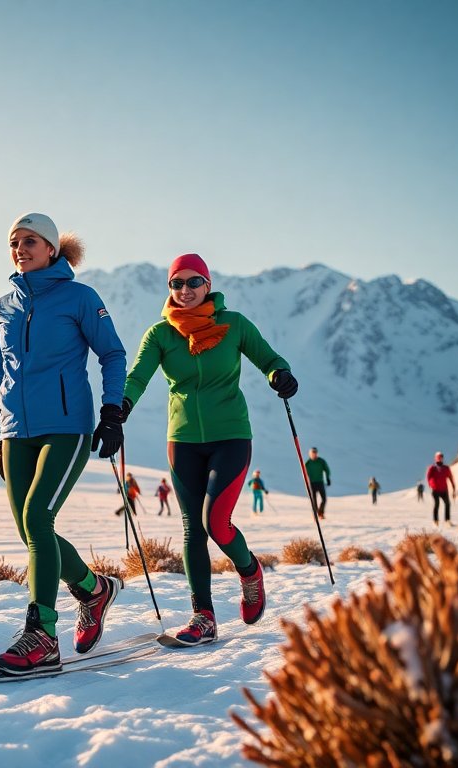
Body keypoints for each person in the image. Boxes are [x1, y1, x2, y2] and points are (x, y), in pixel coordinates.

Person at [122, 253, 297, 646]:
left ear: (208, 285)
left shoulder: (233, 324)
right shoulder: (161, 334)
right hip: (182, 441)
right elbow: (138, 376)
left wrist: (278, 373)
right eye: (176, 283)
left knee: (215, 521)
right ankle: (203, 617)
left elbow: (268, 357)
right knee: (191, 529)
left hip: (231, 435)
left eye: (193, 282)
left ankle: (249, 570)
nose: (184, 290)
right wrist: (122, 405)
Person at [0, 212, 127, 676]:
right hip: (17, 432)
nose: (20, 248)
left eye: (30, 240)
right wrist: (2, 427)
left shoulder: (79, 297)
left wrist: (112, 412)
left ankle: (42, 633)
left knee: (37, 517)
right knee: (31, 533)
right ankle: (93, 590)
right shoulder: (2, 306)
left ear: (52, 248)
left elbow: (112, 353)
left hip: (67, 426)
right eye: (14, 242)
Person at [426, 451, 456, 526]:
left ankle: (447, 520)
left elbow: (450, 478)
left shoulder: (446, 468)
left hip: (444, 490)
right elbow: (428, 477)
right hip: (435, 490)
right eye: (438, 457)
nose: (440, 459)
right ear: (435, 458)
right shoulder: (432, 468)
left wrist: (453, 487)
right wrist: (431, 485)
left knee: (447, 504)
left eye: (441, 457)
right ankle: (436, 521)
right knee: (437, 504)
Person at [305, 448, 332, 519]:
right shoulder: (307, 463)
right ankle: (315, 515)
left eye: (315, 452)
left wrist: (328, 478)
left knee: (324, 499)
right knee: (314, 500)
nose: (314, 454)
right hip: (312, 483)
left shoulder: (321, 461)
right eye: (312, 453)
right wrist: (306, 482)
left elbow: (327, 470)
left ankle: (320, 512)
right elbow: (304, 473)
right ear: (310, 454)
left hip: (320, 482)